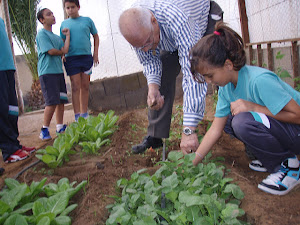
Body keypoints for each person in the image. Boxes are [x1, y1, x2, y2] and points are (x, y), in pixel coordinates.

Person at [189, 22, 300, 195]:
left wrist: (255, 107)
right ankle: (268, 155)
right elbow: (215, 130)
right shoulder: (226, 87)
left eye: (210, 75)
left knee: (242, 121)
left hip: (296, 130)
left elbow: (298, 115)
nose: (209, 81)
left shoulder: (259, 81)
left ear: (227, 65)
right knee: (228, 121)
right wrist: (192, 163)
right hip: (285, 130)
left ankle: (288, 166)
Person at [118, 0, 223, 154]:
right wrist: (153, 87)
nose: (146, 48)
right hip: (170, 37)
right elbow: (149, 59)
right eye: (140, 47)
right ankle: (155, 136)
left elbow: (192, 73)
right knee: (163, 73)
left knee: (217, 68)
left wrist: (188, 130)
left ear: (153, 21)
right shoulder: (137, 28)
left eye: (148, 42)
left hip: (202, 19)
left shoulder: (178, 20)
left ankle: (239, 125)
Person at [0, 17, 35, 163]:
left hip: (7, 68)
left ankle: (15, 144)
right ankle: (8, 150)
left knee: (12, 109)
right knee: (2, 109)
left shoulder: (1, 20)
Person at [60, 0, 99, 122]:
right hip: (71, 59)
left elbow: (96, 36)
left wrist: (95, 54)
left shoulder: (87, 20)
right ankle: (77, 116)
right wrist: (62, 54)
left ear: (78, 7)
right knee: (75, 86)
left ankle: (84, 113)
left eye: (72, 7)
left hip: (86, 57)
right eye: (67, 8)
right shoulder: (64, 24)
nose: (70, 10)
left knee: (85, 86)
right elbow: (61, 41)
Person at [36, 8, 70, 140]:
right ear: (42, 20)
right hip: (47, 73)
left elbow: (65, 49)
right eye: (48, 14)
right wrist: (61, 51)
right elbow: (51, 51)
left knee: (60, 100)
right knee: (51, 102)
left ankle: (59, 127)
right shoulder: (42, 34)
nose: (52, 16)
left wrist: (67, 36)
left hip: (58, 71)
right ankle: (44, 129)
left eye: (52, 13)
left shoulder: (56, 37)